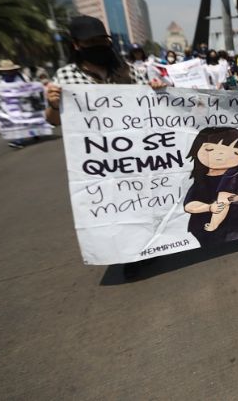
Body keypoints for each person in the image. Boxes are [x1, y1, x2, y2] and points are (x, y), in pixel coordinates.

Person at [44, 15, 165, 280]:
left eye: (103, 40)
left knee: (141, 199)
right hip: (99, 156)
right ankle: (129, 256)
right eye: (91, 42)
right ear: (76, 45)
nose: (99, 45)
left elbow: (151, 104)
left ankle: (150, 245)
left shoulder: (127, 70)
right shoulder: (65, 76)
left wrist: (158, 89)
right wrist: (53, 104)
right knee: (115, 203)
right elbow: (54, 121)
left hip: (135, 152)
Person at [183, 127, 238, 246]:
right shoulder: (201, 180)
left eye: (236, 152)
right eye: (210, 149)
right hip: (204, 229)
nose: (221, 155)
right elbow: (188, 206)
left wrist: (213, 224)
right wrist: (209, 208)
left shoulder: (235, 176)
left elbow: (224, 200)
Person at [0, 59, 31, 149]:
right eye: (5, 71)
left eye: (9, 70)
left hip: (21, 103)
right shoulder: (0, 79)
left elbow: (28, 88)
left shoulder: (22, 77)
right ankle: (27, 135)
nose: (7, 72)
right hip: (7, 105)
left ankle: (18, 140)